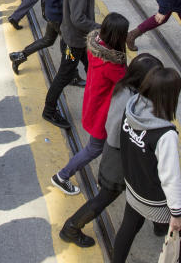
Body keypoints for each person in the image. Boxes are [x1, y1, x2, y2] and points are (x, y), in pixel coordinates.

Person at [59, 53, 164, 248]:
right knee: (105, 198)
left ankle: (160, 223)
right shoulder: (128, 98)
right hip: (119, 159)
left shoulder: (128, 89)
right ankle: (71, 228)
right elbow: (115, 132)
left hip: (124, 157)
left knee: (152, 189)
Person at [51, 13, 130, 196]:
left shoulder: (95, 49)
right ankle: (62, 176)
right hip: (103, 115)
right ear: (118, 37)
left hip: (93, 105)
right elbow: (128, 81)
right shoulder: (112, 65)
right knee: (93, 149)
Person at [114, 67, 181, 262]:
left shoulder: (132, 107)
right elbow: (170, 177)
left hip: (133, 185)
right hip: (154, 198)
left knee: (129, 226)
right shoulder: (165, 134)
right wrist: (176, 214)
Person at [42, 0, 106, 129]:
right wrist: (101, 29)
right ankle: (49, 110)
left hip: (80, 39)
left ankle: (98, 103)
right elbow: (78, 19)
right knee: (64, 74)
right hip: (74, 43)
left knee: (94, 69)